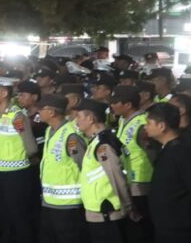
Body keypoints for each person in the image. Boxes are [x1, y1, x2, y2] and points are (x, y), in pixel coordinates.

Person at [145, 103, 191, 243]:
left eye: (148, 123)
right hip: (166, 227)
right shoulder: (166, 150)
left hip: (183, 230)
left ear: (161, 126)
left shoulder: (184, 152)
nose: (145, 127)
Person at [0, 74, 40, 243]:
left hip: (16, 173)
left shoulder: (17, 117)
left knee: (18, 215)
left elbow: (31, 147)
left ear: (3, 93)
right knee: (4, 214)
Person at [74, 99, 135, 243]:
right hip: (99, 212)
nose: (76, 121)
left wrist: (128, 206)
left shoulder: (103, 144)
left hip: (107, 213)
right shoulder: (96, 141)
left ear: (90, 119)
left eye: (78, 116)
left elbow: (116, 177)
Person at [37, 93, 88, 243]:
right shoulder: (49, 130)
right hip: (50, 199)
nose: (38, 112)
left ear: (51, 112)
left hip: (68, 202)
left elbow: (82, 165)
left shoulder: (71, 135)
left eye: (41, 109)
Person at [110, 85, 156, 243]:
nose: (112, 105)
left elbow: (153, 155)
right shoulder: (124, 120)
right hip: (131, 181)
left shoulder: (142, 124)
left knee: (142, 229)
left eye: (116, 102)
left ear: (128, 105)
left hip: (142, 184)